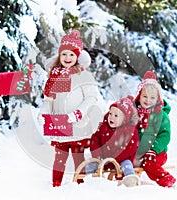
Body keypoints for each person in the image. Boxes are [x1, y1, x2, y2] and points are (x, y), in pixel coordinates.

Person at [38, 30, 103, 187]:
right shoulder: (54, 76)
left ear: (77, 57)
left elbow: (91, 97)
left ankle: (79, 184)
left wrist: (78, 113)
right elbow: (49, 99)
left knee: (77, 156)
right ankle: (56, 184)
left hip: (77, 124)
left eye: (72, 55)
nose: (68, 58)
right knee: (59, 157)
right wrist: (44, 112)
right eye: (64, 54)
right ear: (59, 56)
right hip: (59, 124)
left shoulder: (83, 76)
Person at [133, 71, 176, 188]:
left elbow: (165, 135)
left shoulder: (161, 115)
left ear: (158, 98)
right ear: (139, 97)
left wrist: (154, 149)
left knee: (148, 162)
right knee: (125, 159)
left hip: (157, 152)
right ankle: (127, 180)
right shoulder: (135, 113)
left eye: (152, 97)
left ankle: (167, 180)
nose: (148, 100)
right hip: (138, 151)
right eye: (145, 96)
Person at [87, 96, 140, 187]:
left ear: (124, 119)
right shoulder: (104, 126)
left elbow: (130, 148)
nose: (111, 117)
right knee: (91, 164)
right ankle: (90, 181)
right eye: (110, 113)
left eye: (116, 116)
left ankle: (130, 179)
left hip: (121, 160)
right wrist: (98, 156)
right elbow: (95, 140)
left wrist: (115, 159)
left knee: (127, 165)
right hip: (103, 159)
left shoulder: (129, 131)